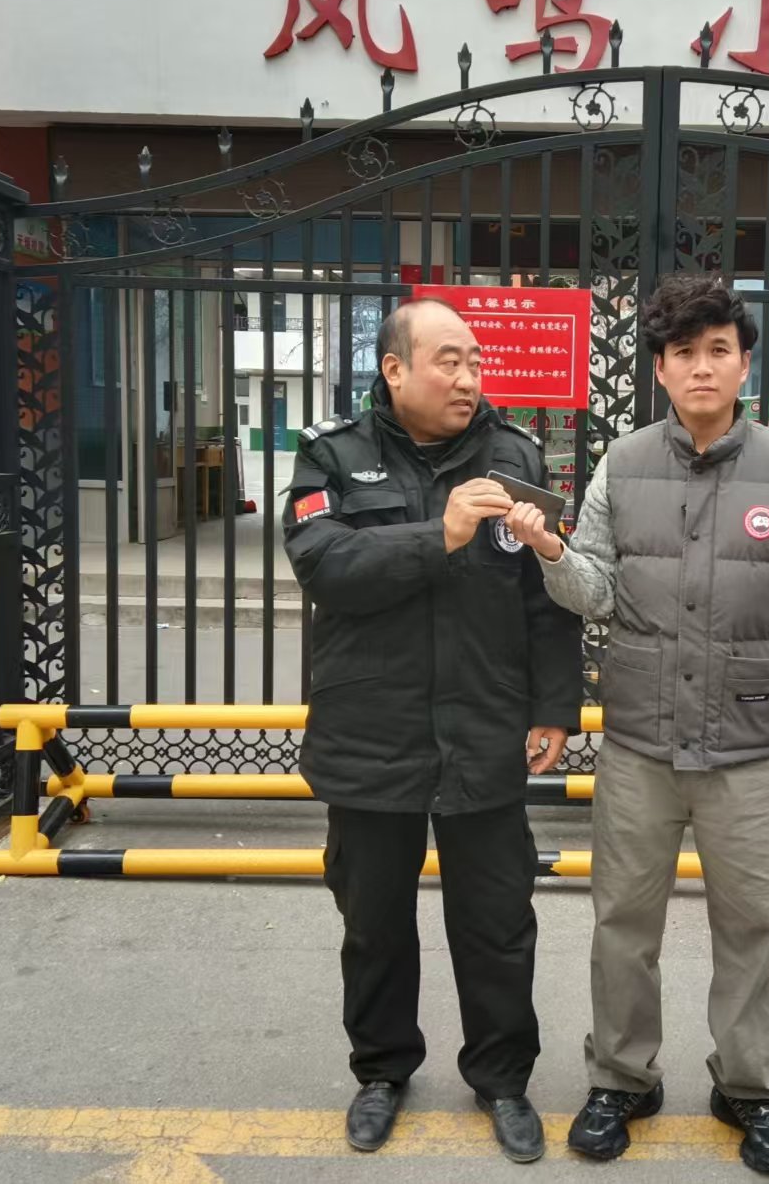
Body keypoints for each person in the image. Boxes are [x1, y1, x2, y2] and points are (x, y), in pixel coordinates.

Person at [503, 273, 769, 1175]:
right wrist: (551, 551)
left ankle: (751, 1088)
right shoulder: (622, 465)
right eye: (683, 352)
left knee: (752, 924)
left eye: (718, 350)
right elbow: (594, 590)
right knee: (624, 920)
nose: (702, 366)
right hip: (640, 743)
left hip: (748, 746)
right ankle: (621, 1076)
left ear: (743, 364)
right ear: (660, 368)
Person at [282, 297, 583, 1163]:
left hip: (484, 725)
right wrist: (439, 533)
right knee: (373, 919)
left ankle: (503, 1079)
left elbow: (546, 599)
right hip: (370, 728)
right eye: (448, 359)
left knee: (498, 921)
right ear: (395, 369)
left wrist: (554, 707)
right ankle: (381, 1070)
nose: (467, 377)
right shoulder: (331, 456)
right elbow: (324, 565)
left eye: (475, 361)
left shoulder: (514, 459)